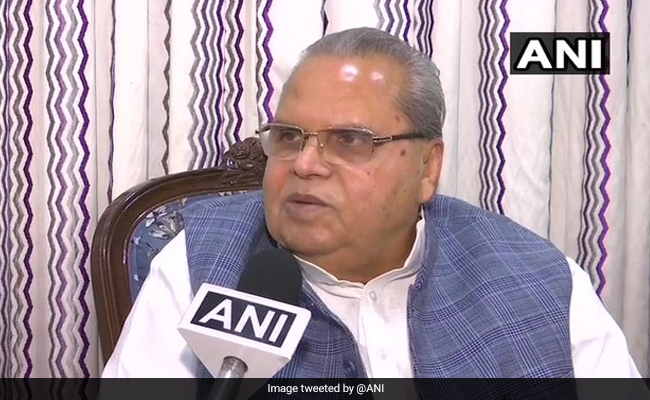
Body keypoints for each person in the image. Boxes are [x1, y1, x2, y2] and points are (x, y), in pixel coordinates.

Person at [102, 27, 640, 381]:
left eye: (350, 140)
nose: (305, 164)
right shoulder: (199, 262)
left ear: (426, 167)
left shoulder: (539, 279)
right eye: (288, 137)